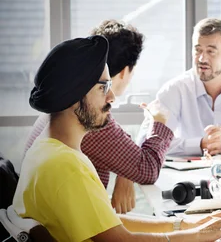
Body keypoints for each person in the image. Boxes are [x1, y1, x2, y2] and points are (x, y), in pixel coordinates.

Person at [15, 35, 221, 241]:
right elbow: (121, 240)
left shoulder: (47, 149)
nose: (112, 97)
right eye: (104, 88)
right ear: (75, 94)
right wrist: (197, 236)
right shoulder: (66, 167)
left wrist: (180, 224)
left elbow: (105, 223)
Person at [23, 20, 173, 214]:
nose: (110, 97)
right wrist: (158, 122)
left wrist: (124, 172)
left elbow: (123, 150)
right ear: (126, 71)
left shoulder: (65, 106)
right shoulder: (86, 120)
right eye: (104, 88)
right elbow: (147, 169)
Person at [137, 18, 221, 156]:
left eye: (211, 51)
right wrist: (201, 144)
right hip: (188, 175)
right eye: (198, 50)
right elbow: (144, 144)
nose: (202, 59)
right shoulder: (176, 89)